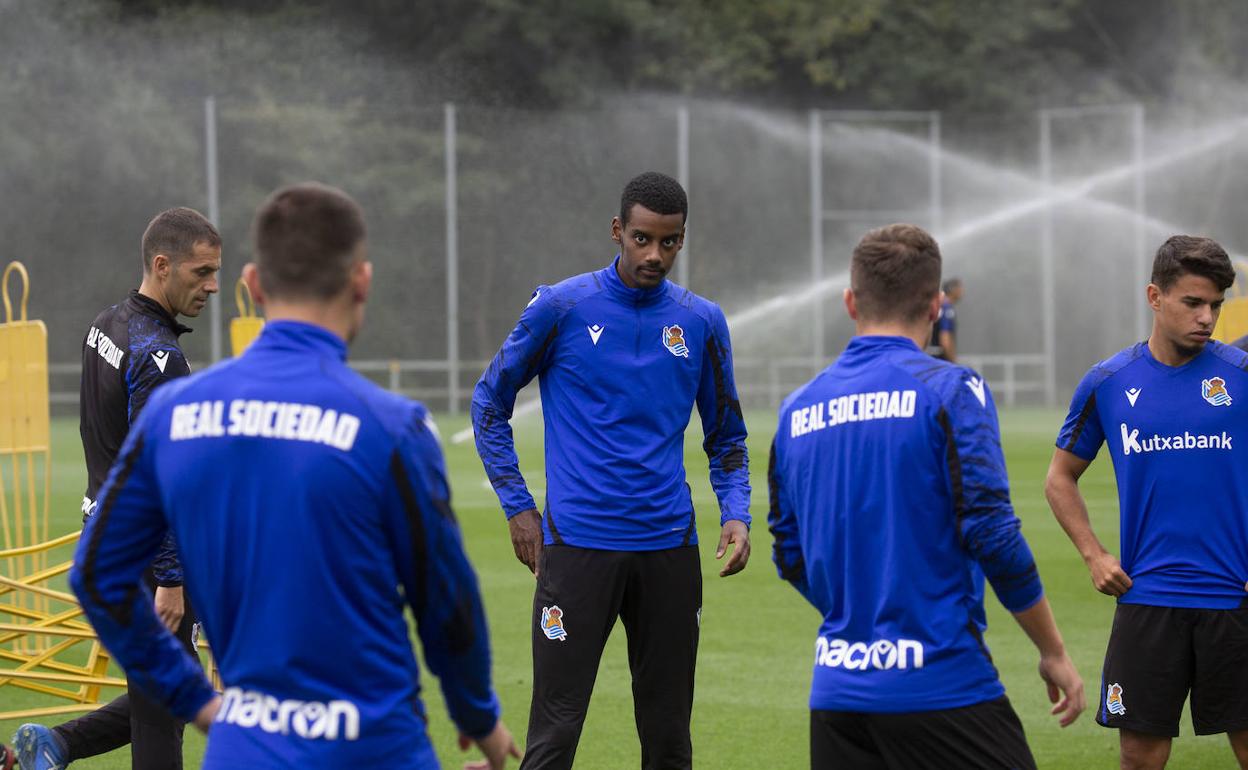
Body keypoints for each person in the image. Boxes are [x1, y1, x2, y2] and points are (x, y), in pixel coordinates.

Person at [66, 183, 519, 769]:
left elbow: (98, 574)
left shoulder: (175, 415)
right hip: (374, 748)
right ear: (362, 283)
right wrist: (478, 718)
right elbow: (446, 603)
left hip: (244, 749)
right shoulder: (394, 428)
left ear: (252, 287)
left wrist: (198, 703)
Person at [769, 223, 1085, 770]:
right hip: (941, 682)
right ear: (936, 305)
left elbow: (788, 552)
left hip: (837, 695)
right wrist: (1052, 650)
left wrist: (858, 613)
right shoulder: (950, 389)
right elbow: (991, 530)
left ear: (850, 301)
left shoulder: (796, 409)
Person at [471, 171, 751, 769]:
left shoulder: (701, 322)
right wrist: (518, 507)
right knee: (554, 734)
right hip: (576, 549)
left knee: (669, 737)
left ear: (682, 240)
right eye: (643, 239)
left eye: (669, 242)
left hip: (668, 551)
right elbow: (488, 402)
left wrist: (736, 512)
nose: (655, 255)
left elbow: (727, 435)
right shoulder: (562, 306)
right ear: (618, 230)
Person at [14, 207, 221, 770]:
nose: (213, 285)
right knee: (161, 708)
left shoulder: (105, 325)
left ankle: (56, 746)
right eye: (202, 272)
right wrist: (173, 581)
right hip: (147, 553)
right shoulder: (160, 359)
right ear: (162, 264)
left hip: (105, 537)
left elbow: (99, 440)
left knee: (162, 692)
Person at [1048, 235, 1248, 770]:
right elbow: (1060, 478)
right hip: (1147, 600)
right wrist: (1094, 555)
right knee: (1139, 759)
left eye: (1216, 306)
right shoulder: (1109, 382)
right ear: (1154, 296)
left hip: (1235, 601)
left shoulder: (1241, 375)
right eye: (1193, 303)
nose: (1207, 318)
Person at [928, 276, 962, 361]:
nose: (962, 291)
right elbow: (945, 337)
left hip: (932, 357)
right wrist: (953, 361)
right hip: (941, 359)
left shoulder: (940, 305)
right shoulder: (947, 308)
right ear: (954, 289)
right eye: (960, 287)